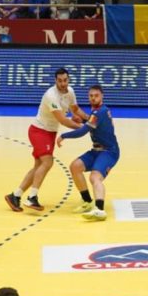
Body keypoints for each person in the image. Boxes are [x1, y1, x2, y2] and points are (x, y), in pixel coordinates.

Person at [6, 68, 85, 213]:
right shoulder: (51, 96)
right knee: (48, 162)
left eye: (65, 80)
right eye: (59, 81)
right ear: (55, 81)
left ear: (68, 80)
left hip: (50, 133)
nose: (62, 83)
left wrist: (90, 120)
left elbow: (76, 110)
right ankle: (32, 197)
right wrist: (83, 128)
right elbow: (62, 120)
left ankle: (15, 195)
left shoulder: (70, 92)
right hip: (39, 131)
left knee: (38, 167)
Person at [58, 85, 119, 222]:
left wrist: (64, 135)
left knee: (95, 177)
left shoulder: (100, 112)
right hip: (96, 150)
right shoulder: (97, 112)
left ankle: (99, 209)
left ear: (102, 96)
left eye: (96, 95)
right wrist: (84, 120)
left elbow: (82, 132)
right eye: (91, 95)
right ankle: (87, 202)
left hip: (109, 152)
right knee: (75, 166)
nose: (93, 98)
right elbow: (93, 123)